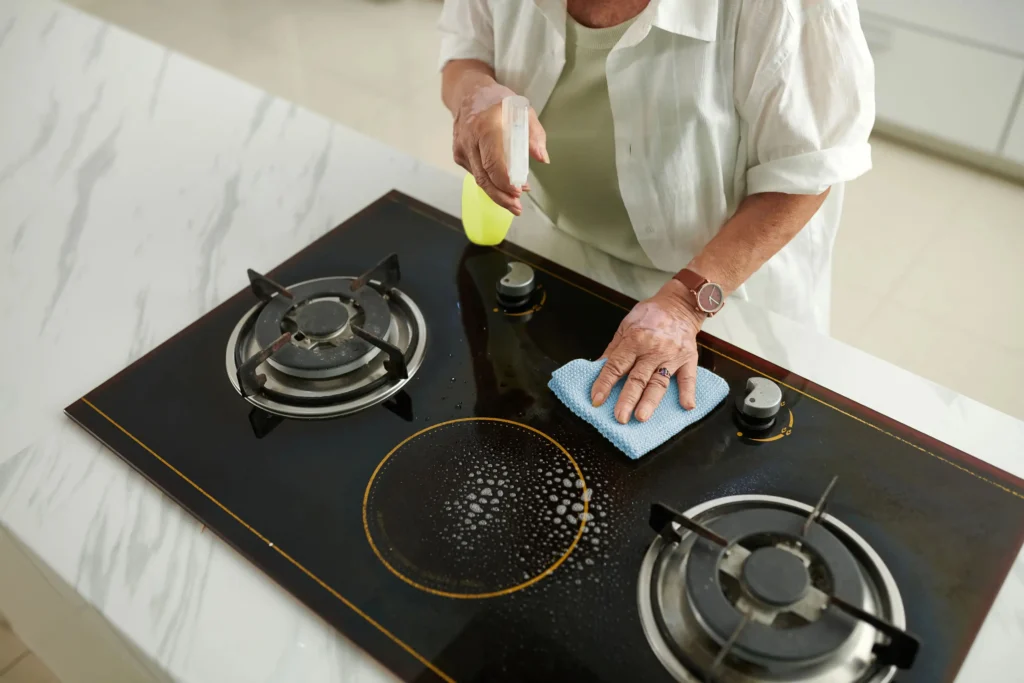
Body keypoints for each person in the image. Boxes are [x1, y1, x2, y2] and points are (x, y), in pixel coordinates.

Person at [438, 0, 875, 424]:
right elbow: (465, 53)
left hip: (719, 284)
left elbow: (806, 171)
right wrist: (475, 92)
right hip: (556, 243)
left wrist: (685, 305)